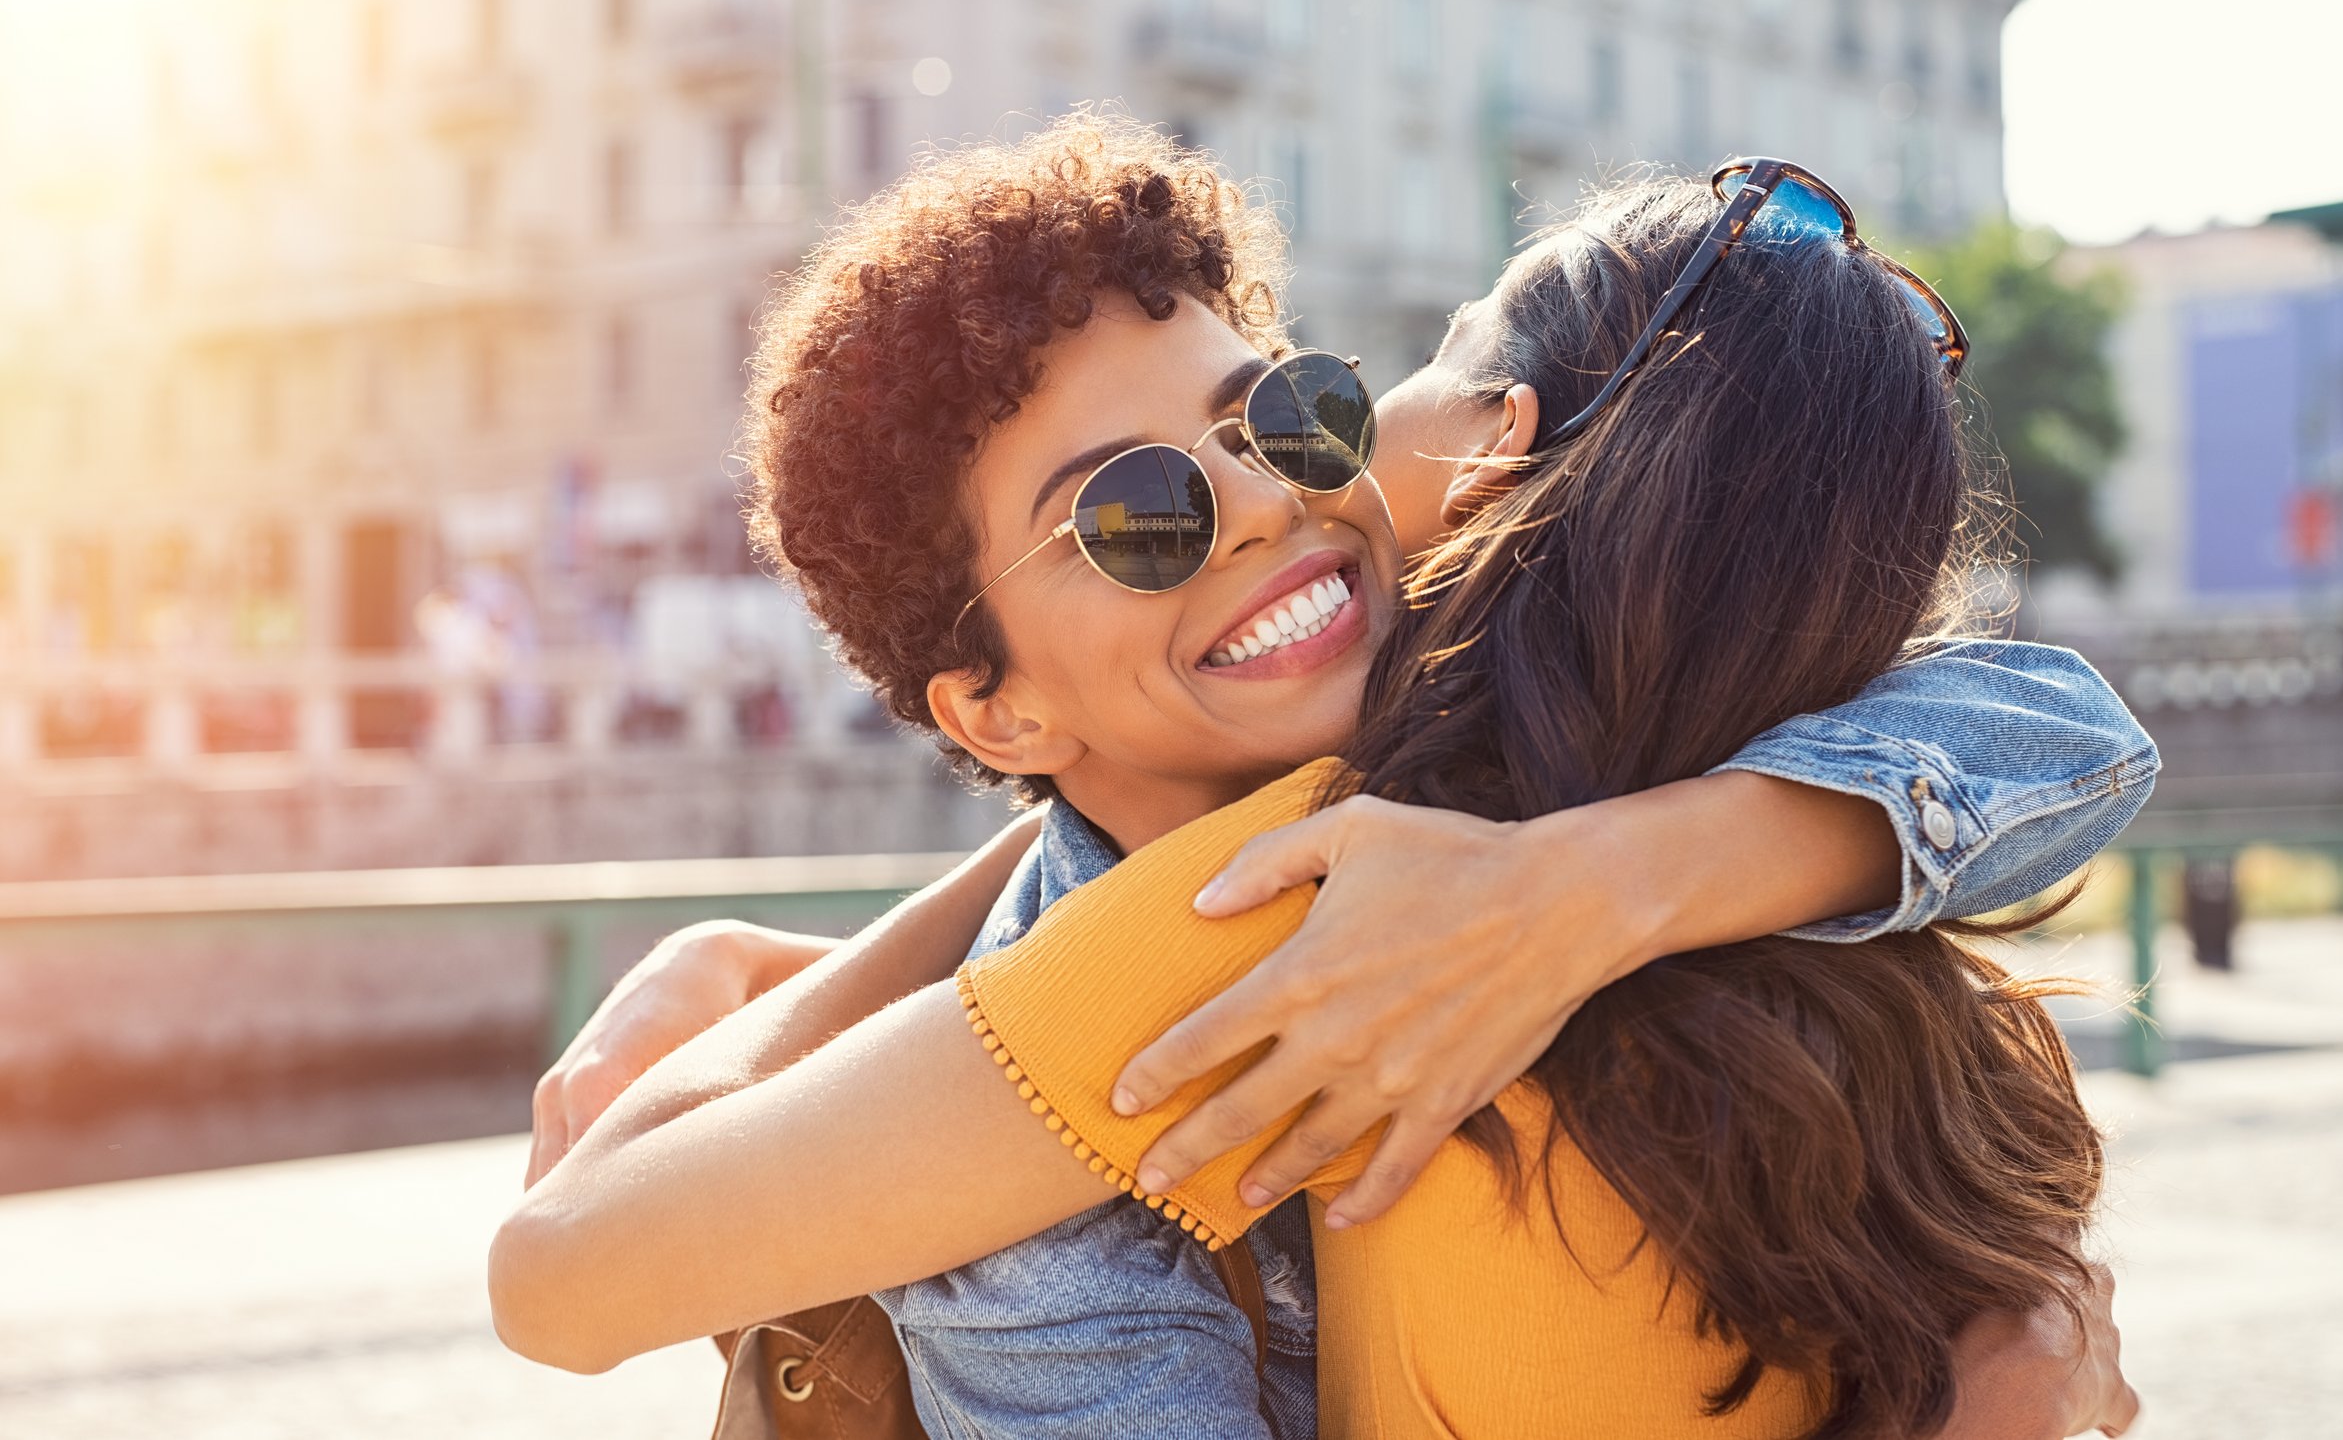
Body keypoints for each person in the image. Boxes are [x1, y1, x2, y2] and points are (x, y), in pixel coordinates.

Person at [494, 122, 2147, 1437]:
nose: (1267, 505)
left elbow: (2059, 726)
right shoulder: (1088, 1092)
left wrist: (1599, 881)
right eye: (1137, 515)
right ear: (993, 712)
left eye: (1286, 415)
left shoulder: (1532, 768)